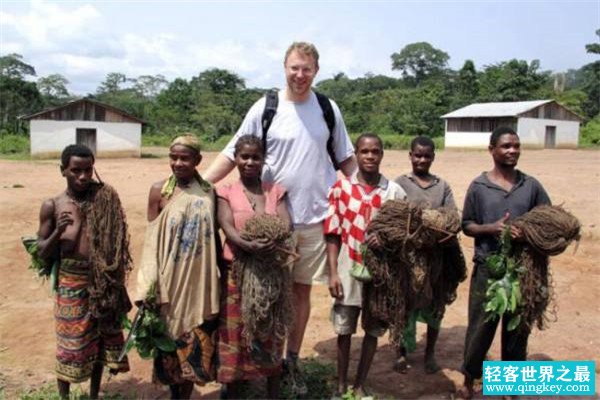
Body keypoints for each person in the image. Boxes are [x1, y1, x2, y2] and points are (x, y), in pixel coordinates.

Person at [204, 41, 356, 394]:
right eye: (294, 68)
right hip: (269, 221)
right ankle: (249, 362)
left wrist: (378, 191)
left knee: (299, 293)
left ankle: (288, 361)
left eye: (306, 69)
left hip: (316, 218)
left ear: (316, 70)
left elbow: (345, 158)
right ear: (284, 68)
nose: (300, 75)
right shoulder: (266, 107)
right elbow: (232, 151)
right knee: (261, 291)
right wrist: (198, 185)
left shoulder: (327, 109)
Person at [457, 127, 551, 399]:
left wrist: (529, 234)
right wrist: (492, 229)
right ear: (492, 150)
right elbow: (467, 225)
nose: (512, 151)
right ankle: (469, 378)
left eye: (516, 146)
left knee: (517, 330)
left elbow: (547, 219)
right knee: (480, 328)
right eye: (506, 146)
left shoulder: (530, 185)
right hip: (489, 268)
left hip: (523, 270)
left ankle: (511, 387)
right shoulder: (479, 186)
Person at [35, 144, 131, 399]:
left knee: (100, 341)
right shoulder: (53, 205)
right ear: (63, 170)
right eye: (76, 170)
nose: (83, 176)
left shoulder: (104, 197)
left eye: (88, 170)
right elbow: (41, 250)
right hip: (71, 281)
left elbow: (118, 241)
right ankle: (64, 396)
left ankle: (93, 394)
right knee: (70, 342)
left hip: (103, 279)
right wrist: (57, 232)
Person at [137, 134, 221, 400]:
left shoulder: (209, 192)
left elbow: (214, 239)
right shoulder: (159, 191)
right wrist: (147, 286)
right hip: (169, 283)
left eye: (185, 158)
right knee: (170, 345)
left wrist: (221, 273)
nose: (178, 163)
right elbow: (151, 243)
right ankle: (177, 395)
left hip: (200, 283)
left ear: (198, 160)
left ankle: (185, 394)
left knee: (196, 346)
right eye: (173, 157)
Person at [325, 133, 407, 397]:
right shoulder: (341, 189)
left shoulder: (393, 192)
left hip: (381, 272)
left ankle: (359, 384)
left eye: (375, 151)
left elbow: (404, 235)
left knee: (372, 329)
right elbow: (332, 233)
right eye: (364, 151)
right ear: (356, 155)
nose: (370, 156)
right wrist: (333, 273)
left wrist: (386, 239)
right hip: (348, 265)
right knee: (344, 329)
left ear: (382, 154)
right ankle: (340, 384)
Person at [216, 134, 291, 398]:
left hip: (271, 276)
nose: (249, 162)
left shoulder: (275, 191)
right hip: (237, 274)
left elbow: (286, 225)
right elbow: (227, 226)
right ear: (236, 159)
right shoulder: (224, 192)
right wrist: (247, 245)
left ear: (263, 160)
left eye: (255, 157)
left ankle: (272, 393)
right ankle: (234, 389)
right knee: (235, 335)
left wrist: (270, 241)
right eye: (244, 156)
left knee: (270, 333)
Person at [395, 136, 458, 374]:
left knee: (435, 305)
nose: (422, 160)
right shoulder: (400, 184)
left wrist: (435, 226)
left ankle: (429, 353)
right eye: (417, 155)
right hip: (407, 259)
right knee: (403, 306)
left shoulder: (442, 186)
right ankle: (401, 352)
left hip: (436, 259)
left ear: (433, 157)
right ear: (410, 155)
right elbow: (393, 216)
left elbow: (451, 217)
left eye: (427, 156)